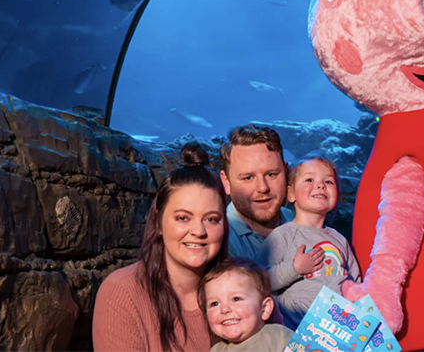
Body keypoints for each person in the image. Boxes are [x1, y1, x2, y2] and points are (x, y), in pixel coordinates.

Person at [93, 143, 230, 352]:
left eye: (211, 219)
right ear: (158, 223)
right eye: (183, 218)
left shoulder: (245, 285)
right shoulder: (121, 292)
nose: (199, 231)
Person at [256, 156, 361, 330]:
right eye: (310, 179)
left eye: (328, 181)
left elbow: (355, 281)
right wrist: (295, 268)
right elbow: (259, 282)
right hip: (295, 334)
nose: (320, 185)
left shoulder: (340, 239)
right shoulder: (282, 235)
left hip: (336, 333)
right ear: (290, 194)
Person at [219, 125, 294, 261]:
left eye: (271, 174)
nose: (263, 188)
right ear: (226, 182)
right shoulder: (218, 240)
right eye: (248, 178)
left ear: (286, 172)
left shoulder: (301, 221)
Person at [200, 258, 294, 352]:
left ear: (265, 308)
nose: (224, 309)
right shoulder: (216, 350)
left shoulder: (277, 337)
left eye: (236, 299)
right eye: (214, 304)